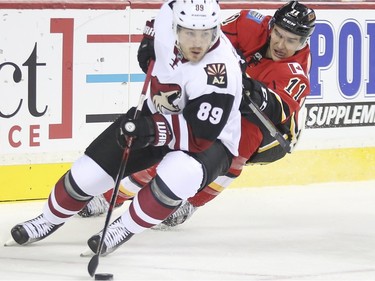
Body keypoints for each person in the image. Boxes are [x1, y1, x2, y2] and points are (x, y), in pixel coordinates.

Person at [8, 0, 243, 256]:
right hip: (155, 118)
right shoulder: (170, 14)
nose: (198, 43)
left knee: (179, 174)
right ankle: (47, 220)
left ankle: (122, 227)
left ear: (216, 30)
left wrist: (152, 130)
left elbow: (199, 137)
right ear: (176, 27)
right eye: (189, 33)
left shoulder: (220, 74)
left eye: (205, 34)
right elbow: (158, 22)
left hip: (211, 141)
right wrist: (149, 43)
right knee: (86, 176)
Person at [78, 0, 316, 229]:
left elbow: (279, 110)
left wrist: (251, 88)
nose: (282, 45)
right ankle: (112, 196)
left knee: (238, 143)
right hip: (228, 98)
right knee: (174, 134)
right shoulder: (248, 22)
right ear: (271, 25)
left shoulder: (296, 72)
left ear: (304, 41)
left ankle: (191, 203)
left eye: (292, 41)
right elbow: (206, 40)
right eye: (279, 35)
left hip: (272, 132)